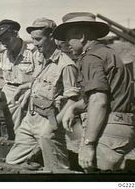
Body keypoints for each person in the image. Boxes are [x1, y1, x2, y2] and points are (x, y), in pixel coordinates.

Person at [53, 12, 135, 172]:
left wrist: (88, 144)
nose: (66, 44)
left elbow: (99, 101)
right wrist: (74, 107)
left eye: (68, 38)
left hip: (106, 131)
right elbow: (107, 94)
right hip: (123, 127)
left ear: (81, 36)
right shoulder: (108, 53)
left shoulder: (91, 58)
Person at [5, 18, 80, 172]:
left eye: (38, 39)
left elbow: (72, 101)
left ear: (52, 36)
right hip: (30, 120)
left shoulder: (66, 66)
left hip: (49, 122)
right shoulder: (39, 58)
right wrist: (25, 88)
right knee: (11, 162)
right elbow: (37, 81)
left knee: (57, 169)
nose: (35, 43)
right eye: (32, 39)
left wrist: (52, 128)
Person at [0, 19, 37, 138]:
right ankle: (14, 144)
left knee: (31, 124)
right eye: (1, 41)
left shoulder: (32, 51)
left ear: (15, 34)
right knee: (12, 125)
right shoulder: (1, 50)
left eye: (7, 39)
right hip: (10, 90)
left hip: (29, 90)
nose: (4, 43)